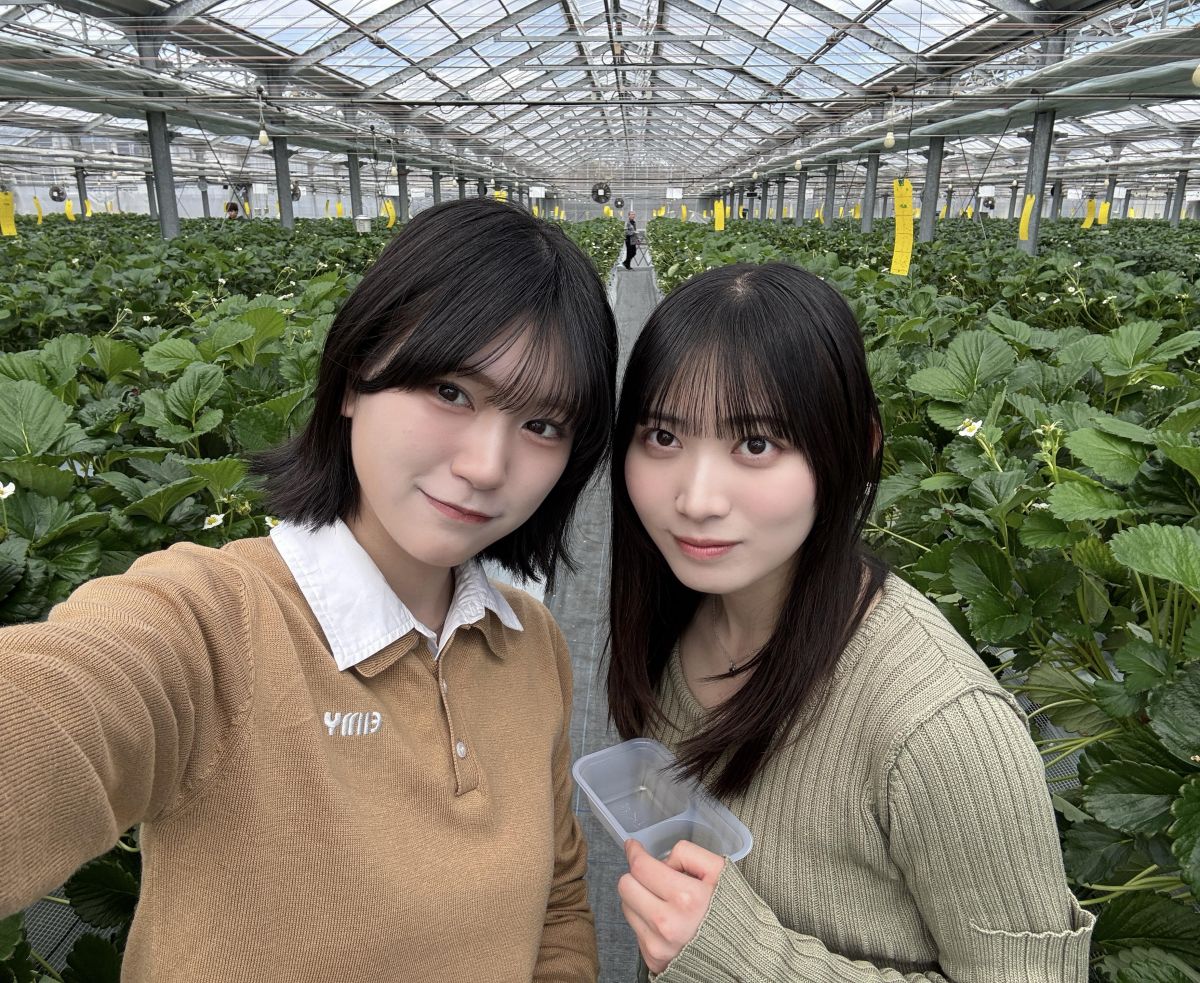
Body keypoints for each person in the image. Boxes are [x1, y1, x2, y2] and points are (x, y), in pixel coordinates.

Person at [0, 198, 618, 981]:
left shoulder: (532, 644)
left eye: (544, 425)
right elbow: (67, 701)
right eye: (450, 391)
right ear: (355, 376)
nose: (487, 465)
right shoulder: (212, 623)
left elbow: (558, 900)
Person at [606, 262, 1094, 982]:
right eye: (663, 436)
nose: (697, 499)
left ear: (856, 449)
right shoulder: (675, 616)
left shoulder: (942, 729)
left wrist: (743, 956)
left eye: (756, 444)